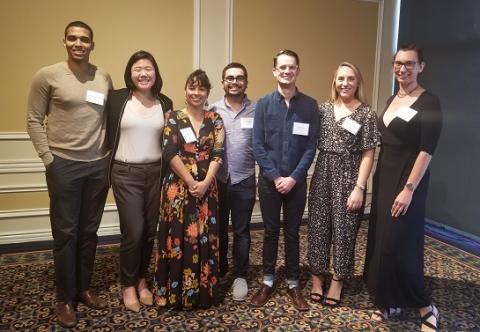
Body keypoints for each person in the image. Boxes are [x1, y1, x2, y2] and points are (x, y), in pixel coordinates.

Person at [26, 21, 112, 328]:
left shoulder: (102, 77)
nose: (79, 43)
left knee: (89, 233)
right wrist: (49, 159)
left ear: (92, 44)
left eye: (85, 39)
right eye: (73, 38)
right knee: (66, 234)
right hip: (64, 165)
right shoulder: (47, 76)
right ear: (64, 41)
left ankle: (83, 288)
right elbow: (34, 120)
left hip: (99, 165)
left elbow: (108, 119)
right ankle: (64, 298)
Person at [363, 44, 442, 331]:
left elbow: (426, 150)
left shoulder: (429, 102)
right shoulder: (390, 99)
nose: (403, 68)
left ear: (422, 66)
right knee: (382, 239)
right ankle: (388, 299)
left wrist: (408, 188)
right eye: (398, 63)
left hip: (409, 179)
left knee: (401, 243)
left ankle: (425, 305)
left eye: (410, 63)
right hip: (385, 176)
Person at [251, 50, 320, 311]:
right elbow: (257, 146)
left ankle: (293, 283)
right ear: (274, 71)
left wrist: (293, 178)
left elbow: (310, 147)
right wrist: (276, 176)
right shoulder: (263, 104)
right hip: (269, 183)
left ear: (298, 71)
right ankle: (268, 281)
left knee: (292, 234)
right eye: (282, 67)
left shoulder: (310, 105)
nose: (287, 71)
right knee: (270, 233)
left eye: (291, 67)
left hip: (297, 183)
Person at [105, 50, 173, 312]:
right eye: (137, 69)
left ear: (155, 73)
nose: (143, 73)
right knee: (133, 231)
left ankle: (142, 279)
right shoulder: (117, 99)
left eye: (148, 68)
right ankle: (127, 284)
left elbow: (170, 139)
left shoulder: (165, 102)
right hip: (125, 174)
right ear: (130, 73)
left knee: (148, 232)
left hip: (156, 174)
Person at [308, 62, 379, 307]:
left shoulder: (367, 114)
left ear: (358, 82)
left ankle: (338, 280)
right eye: (340, 79)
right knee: (318, 230)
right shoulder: (323, 109)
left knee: (345, 233)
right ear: (334, 82)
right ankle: (317, 278)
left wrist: (360, 187)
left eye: (350, 78)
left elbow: (368, 153)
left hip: (350, 180)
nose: (345, 83)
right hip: (322, 176)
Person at [153, 69, 225, 309]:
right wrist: (191, 182)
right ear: (185, 89)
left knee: (204, 238)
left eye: (201, 88)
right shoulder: (172, 117)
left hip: (207, 190)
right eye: (192, 87)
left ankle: (202, 294)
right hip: (177, 190)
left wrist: (204, 183)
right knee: (176, 238)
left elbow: (218, 153)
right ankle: (173, 292)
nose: (196, 92)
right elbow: (169, 152)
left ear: (207, 92)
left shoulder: (215, 119)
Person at [210, 62, 256, 301]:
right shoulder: (212, 109)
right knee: (217, 230)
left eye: (239, 78)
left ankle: (240, 275)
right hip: (217, 180)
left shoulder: (256, 110)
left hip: (245, 179)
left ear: (246, 82)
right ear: (223, 82)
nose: (235, 81)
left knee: (242, 231)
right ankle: (219, 270)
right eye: (230, 78)